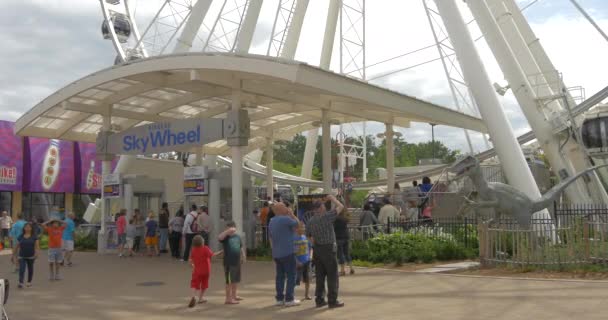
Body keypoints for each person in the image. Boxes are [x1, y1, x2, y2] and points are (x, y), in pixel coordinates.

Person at [306, 194, 345, 309]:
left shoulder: (310, 221)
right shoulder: (326, 217)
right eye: (323, 206)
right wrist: (333, 198)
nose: (324, 207)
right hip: (328, 248)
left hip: (317, 249)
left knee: (320, 275)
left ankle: (319, 299)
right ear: (320, 208)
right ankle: (332, 300)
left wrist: (314, 244)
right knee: (332, 275)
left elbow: (308, 236)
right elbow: (341, 207)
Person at [268, 202, 300, 307]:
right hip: (288, 252)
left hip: (277, 253)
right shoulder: (286, 219)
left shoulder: (272, 221)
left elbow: (271, 238)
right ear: (281, 209)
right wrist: (292, 214)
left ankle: (279, 298)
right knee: (291, 275)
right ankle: (289, 298)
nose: (287, 208)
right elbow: (298, 224)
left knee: (280, 277)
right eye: (285, 207)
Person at [218, 221, 245, 305]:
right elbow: (219, 237)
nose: (231, 229)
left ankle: (234, 295)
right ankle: (228, 299)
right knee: (229, 281)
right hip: (228, 263)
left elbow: (241, 247)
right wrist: (227, 232)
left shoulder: (237, 237)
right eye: (228, 228)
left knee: (235, 280)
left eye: (232, 227)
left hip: (236, 261)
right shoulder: (225, 237)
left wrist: (243, 255)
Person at [188, 235, 218, 308]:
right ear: (202, 242)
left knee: (194, 284)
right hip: (206, 270)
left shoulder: (193, 250)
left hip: (197, 271)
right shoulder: (205, 248)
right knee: (204, 284)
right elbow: (212, 255)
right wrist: (221, 252)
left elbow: (190, 260)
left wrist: (192, 265)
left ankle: (193, 296)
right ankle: (200, 298)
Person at [12, 222, 39, 288]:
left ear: (31, 228)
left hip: (31, 255)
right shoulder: (20, 236)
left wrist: (36, 253)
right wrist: (13, 255)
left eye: (29, 227)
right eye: (26, 227)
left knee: (30, 269)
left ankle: (29, 282)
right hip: (22, 255)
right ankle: (21, 282)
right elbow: (17, 246)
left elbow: (37, 246)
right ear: (24, 228)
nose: (27, 228)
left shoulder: (34, 236)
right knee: (22, 269)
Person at [294, 222, 312, 301]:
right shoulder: (293, 238)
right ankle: (290, 295)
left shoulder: (305, 238)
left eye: (304, 227)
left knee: (308, 279)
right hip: (298, 263)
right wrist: (296, 261)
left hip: (306, 262)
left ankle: (306, 294)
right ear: (296, 228)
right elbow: (292, 252)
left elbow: (311, 248)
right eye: (301, 227)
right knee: (295, 280)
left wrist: (310, 256)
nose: (303, 229)